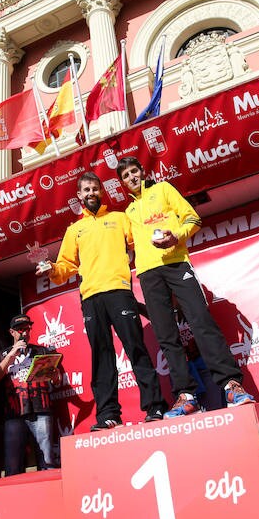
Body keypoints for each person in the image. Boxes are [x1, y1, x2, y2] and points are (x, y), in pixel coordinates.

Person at [116, 157, 255, 418]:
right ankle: (186, 395)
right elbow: (126, 244)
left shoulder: (163, 189)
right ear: (122, 183)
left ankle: (230, 385)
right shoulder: (128, 213)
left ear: (142, 172)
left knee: (201, 321)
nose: (132, 177)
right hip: (147, 273)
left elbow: (193, 219)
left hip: (177, 263)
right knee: (166, 335)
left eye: (135, 171)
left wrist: (175, 236)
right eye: (126, 175)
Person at [37, 172, 167, 430]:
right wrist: (51, 268)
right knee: (102, 356)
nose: (91, 194)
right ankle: (108, 415)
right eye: (86, 190)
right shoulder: (75, 230)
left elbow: (139, 241)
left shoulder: (119, 218)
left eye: (95, 189)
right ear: (79, 196)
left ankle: (155, 407)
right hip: (91, 298)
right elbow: (65, 267)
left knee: (136, 349)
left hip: (119, 291)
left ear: (101, 192)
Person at [0, 313, 60, 475]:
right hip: (14, 414)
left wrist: (55, 375)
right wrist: (12, 354)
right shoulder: (2, 355)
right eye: (20, 330)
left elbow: (56, 381)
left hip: (41, 410)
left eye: (27, 329)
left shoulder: (41, 351)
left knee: (47, 460)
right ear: (12, 332)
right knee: (13, 464)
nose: (25, 333)